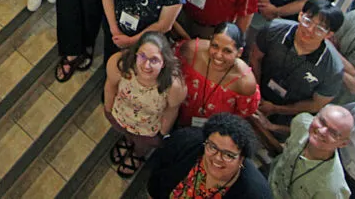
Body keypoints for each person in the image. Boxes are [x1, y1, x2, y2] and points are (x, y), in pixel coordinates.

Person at [250, 0, 345, 134]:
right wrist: (256, 93)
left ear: (329, 34)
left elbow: (316, 104)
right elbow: (255, 59)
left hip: (288, 114)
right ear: (300, 15)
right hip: (255, 90)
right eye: (307, 21)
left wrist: (276, 109)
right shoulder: (273, 30)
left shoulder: (333, 69)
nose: (309, 30)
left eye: (319, 29)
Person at [104, 32, 187, 178]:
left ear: (164, 63)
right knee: (126, 134)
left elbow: (171, 110)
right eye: (142, 56)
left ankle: (138, 154)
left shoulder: (173, 85)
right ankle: (128, 141)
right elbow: (110, 86)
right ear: (135, 53)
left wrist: (161, 133)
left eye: (154, 60)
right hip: (121, 116)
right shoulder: (120, 64)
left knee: (142, 146)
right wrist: (108, 110)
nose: (146, 65)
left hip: (148, 129)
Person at [146, 114, 272, 199]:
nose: (217, 158)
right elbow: (157, 180)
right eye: (212, 147)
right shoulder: (184, 142)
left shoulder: (255, 193)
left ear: (241, 158)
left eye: (228, 155)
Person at [175, 22, 260, 126]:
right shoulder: (191, 51)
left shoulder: (244, 82)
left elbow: (238, 119)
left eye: (227, 51)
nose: (218, 55)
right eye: (215, 46)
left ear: (239, 53)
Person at [268, 105, 354, 199]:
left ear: (343, 144)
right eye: (322, 122)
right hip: (270, 176)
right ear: (315, 117)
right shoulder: (301, 123)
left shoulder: (332, 189)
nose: (322, 131)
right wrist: (271, 127)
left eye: (333, 133)